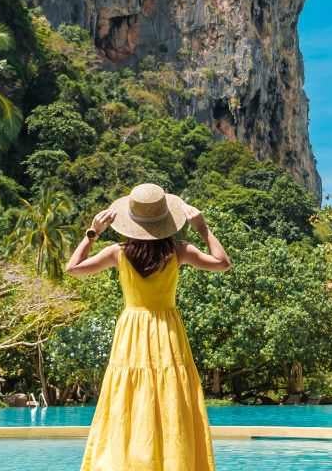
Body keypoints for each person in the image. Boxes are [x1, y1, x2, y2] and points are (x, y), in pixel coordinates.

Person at [66, 183, 231, 471]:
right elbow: (222, 263)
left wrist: (92, 234)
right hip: (167, 329)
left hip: (132, 329)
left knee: (127, 395)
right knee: (170, 395)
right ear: (166, 220)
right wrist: (203, 229)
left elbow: (73, 269)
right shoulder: (180, 251)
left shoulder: (117, 253)